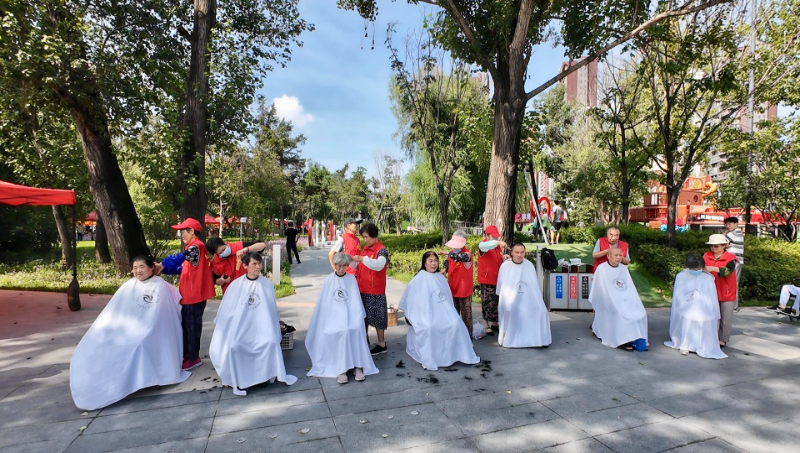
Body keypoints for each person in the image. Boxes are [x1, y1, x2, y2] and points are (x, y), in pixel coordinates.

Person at [70, 256, 189, 410]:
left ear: (151, 268)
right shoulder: (128, 286)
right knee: (101, 345)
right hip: (127, 329)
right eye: (135, 267)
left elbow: (165, 312)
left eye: (142, 267)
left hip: (152, 328)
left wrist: (146, 327)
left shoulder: (161, 286)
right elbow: (114, 312)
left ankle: (147, 379)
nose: (138, 271)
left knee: (140, 343)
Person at [209, 252, 297, 395]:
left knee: (270, 342)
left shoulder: (266, 284)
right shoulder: (236, 285)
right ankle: (242, 379)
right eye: (254, 264)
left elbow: (271, 310)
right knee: (235, 346)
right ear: (245, 266)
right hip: (241, 329)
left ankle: (263, 377)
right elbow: (228, 310)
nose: (258, 267)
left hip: (262, 328)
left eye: (259, 264)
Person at [398, 252, 480, 370]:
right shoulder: (418, 279)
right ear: (424, 263)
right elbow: (412, 301)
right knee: (429, 327)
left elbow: (447, 300)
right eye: (430, 261)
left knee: (456, 323)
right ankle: (433, 357)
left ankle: (460, 354)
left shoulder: (440, 278)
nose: (434, 263)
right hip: (424, 314)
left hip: (443, 312)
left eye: (435, 260)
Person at [306, 253, 378, 383]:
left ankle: (358, 366)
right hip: (333, 317)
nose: (341, 269)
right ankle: (341, 369)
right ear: (334, 265)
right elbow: (324, 304)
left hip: (351, 316)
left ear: (347, 266)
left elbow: (355, 302)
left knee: (355, 329)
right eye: (338, 266)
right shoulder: (328, 280)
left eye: (344, 266)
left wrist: (355, 318)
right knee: (342, 331)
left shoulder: (351, 279)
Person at [165, 218, 216, 371]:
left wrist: (163, 264)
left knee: (192, 327)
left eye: (183, 231)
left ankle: (193, 358)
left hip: (194, 295)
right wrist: (164, 269)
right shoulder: (194, 249)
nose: (181, 235)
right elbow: (182, 268)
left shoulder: (196, 247)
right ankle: (188, 355)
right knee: (187, 325)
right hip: (190, 294)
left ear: (192, 231)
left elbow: (179, 259)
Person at [663, 254, 727, 359]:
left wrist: (709, 307)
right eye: (694, 269)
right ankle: (685, 344)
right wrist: (686, 303)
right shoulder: (681, 276)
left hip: (703, 306)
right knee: (688, 317)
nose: (696, 270)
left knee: (704, 318)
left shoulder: (708, 278)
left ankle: (701, 344)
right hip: (686, 305)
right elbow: (679, 294)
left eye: (698, 268)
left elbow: (711, 296)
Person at [589, 247, 648, 351]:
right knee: (620, 312)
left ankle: (637, 337)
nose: (618, 258)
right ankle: (622, 340)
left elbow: (629, 287)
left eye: (620, 255)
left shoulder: (623, 268)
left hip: (624, 298)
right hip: (608, 300)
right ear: (608, 256)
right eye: (615, 255)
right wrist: (613, 300)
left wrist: (631, 299)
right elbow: (600, 289)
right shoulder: (601, 269)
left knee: (640, 312)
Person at [497, 243, 552, 348]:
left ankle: (537, 339)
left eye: (522, 252)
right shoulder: (505, 266)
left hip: (527, 298)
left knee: (541, 311)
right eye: (517, 252)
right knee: (510, 309)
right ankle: (510, 338)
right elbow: (501, 286)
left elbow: (533, 288)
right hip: (510, 299)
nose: (519, 255)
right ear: (512, 253)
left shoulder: (529, 265)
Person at [351, 223, 390, 355]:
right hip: (363, 287)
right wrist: (352, 261)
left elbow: (379, 265)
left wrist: (363, 259)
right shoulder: (366, 249)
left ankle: (381, 343)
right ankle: (364, 340)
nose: (365, 240)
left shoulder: (381, 250)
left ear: (374, 236)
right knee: (364, 317)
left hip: (375, 289)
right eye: (363, 237)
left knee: (378, 317)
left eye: (366, 237)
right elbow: (360, 265)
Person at [703, 234, 738, 348]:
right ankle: (711, 336)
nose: (713, 248)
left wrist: (713, 268)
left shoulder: (730, 258)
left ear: (724, 246)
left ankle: (723, 339)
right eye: (711, 246)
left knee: (726, 317)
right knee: (711, 316)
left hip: (726, 291)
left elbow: (728, 271)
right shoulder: (706, 255)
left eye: (716, 246)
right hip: (711, 290)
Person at [441, 229, 474, 338]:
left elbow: (460, 257)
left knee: (466, 317)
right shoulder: (452, 252)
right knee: (453, 315)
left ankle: (468, 339)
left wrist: (448, 253)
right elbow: (448, 261)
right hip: (452, 288)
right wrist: (444, 269)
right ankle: (454, 338)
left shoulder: (467, 254)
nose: (453, 248)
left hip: (464, 290)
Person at [477, 226, 507, 336]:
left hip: (497, 278)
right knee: (487, 302)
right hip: (486, 278)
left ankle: (495, 323)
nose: (495, 238)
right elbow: (485, 246)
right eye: (493, 236)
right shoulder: (483, 245)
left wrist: (505, 257)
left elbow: (499, 258)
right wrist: (498, 242)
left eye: (496, 237)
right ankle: (486, 324)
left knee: (496, 301)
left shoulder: (497, 247)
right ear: (487, 235)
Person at [723, 217, 744, 313]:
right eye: (726, 224)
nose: (728, 226)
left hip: (735, 261)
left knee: (733, 283)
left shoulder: (735, 233)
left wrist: (725, 233)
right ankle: (732, 305)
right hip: (734, 261)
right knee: (732, 283)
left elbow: (720, 240)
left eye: (730, 224)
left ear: (736, 223)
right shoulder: (737, 233)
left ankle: (734, 306)